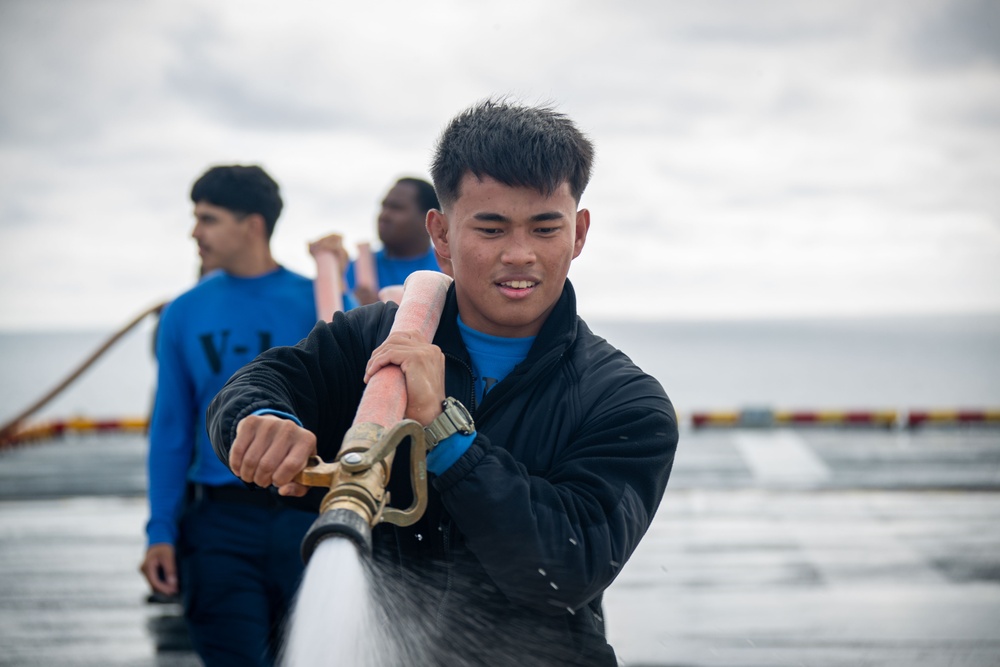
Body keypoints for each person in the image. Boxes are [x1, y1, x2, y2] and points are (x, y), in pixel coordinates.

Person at [206, 101, 678, 665]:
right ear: (442, 234)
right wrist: (263, 422)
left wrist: (446, 435)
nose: (519, 254)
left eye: (545, 227)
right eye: (491, 227)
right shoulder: (372, 342)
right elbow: (260, 383)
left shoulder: (628, 403)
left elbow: (567, 569)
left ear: (578, 233)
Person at [140, 165, 329, 666]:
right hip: (217, 523)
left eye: (208, 218)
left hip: (304, 512)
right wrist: (160, 530)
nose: (194, 232)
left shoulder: (322, 303)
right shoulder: (183, 312)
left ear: (252, 225)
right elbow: (171, 429)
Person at [344, 176, 443, 304]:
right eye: (384, 206)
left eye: (396, 208)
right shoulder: (353, 270)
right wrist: (352, 308)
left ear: (430, 220)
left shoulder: (447, 270)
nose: (384, 215)